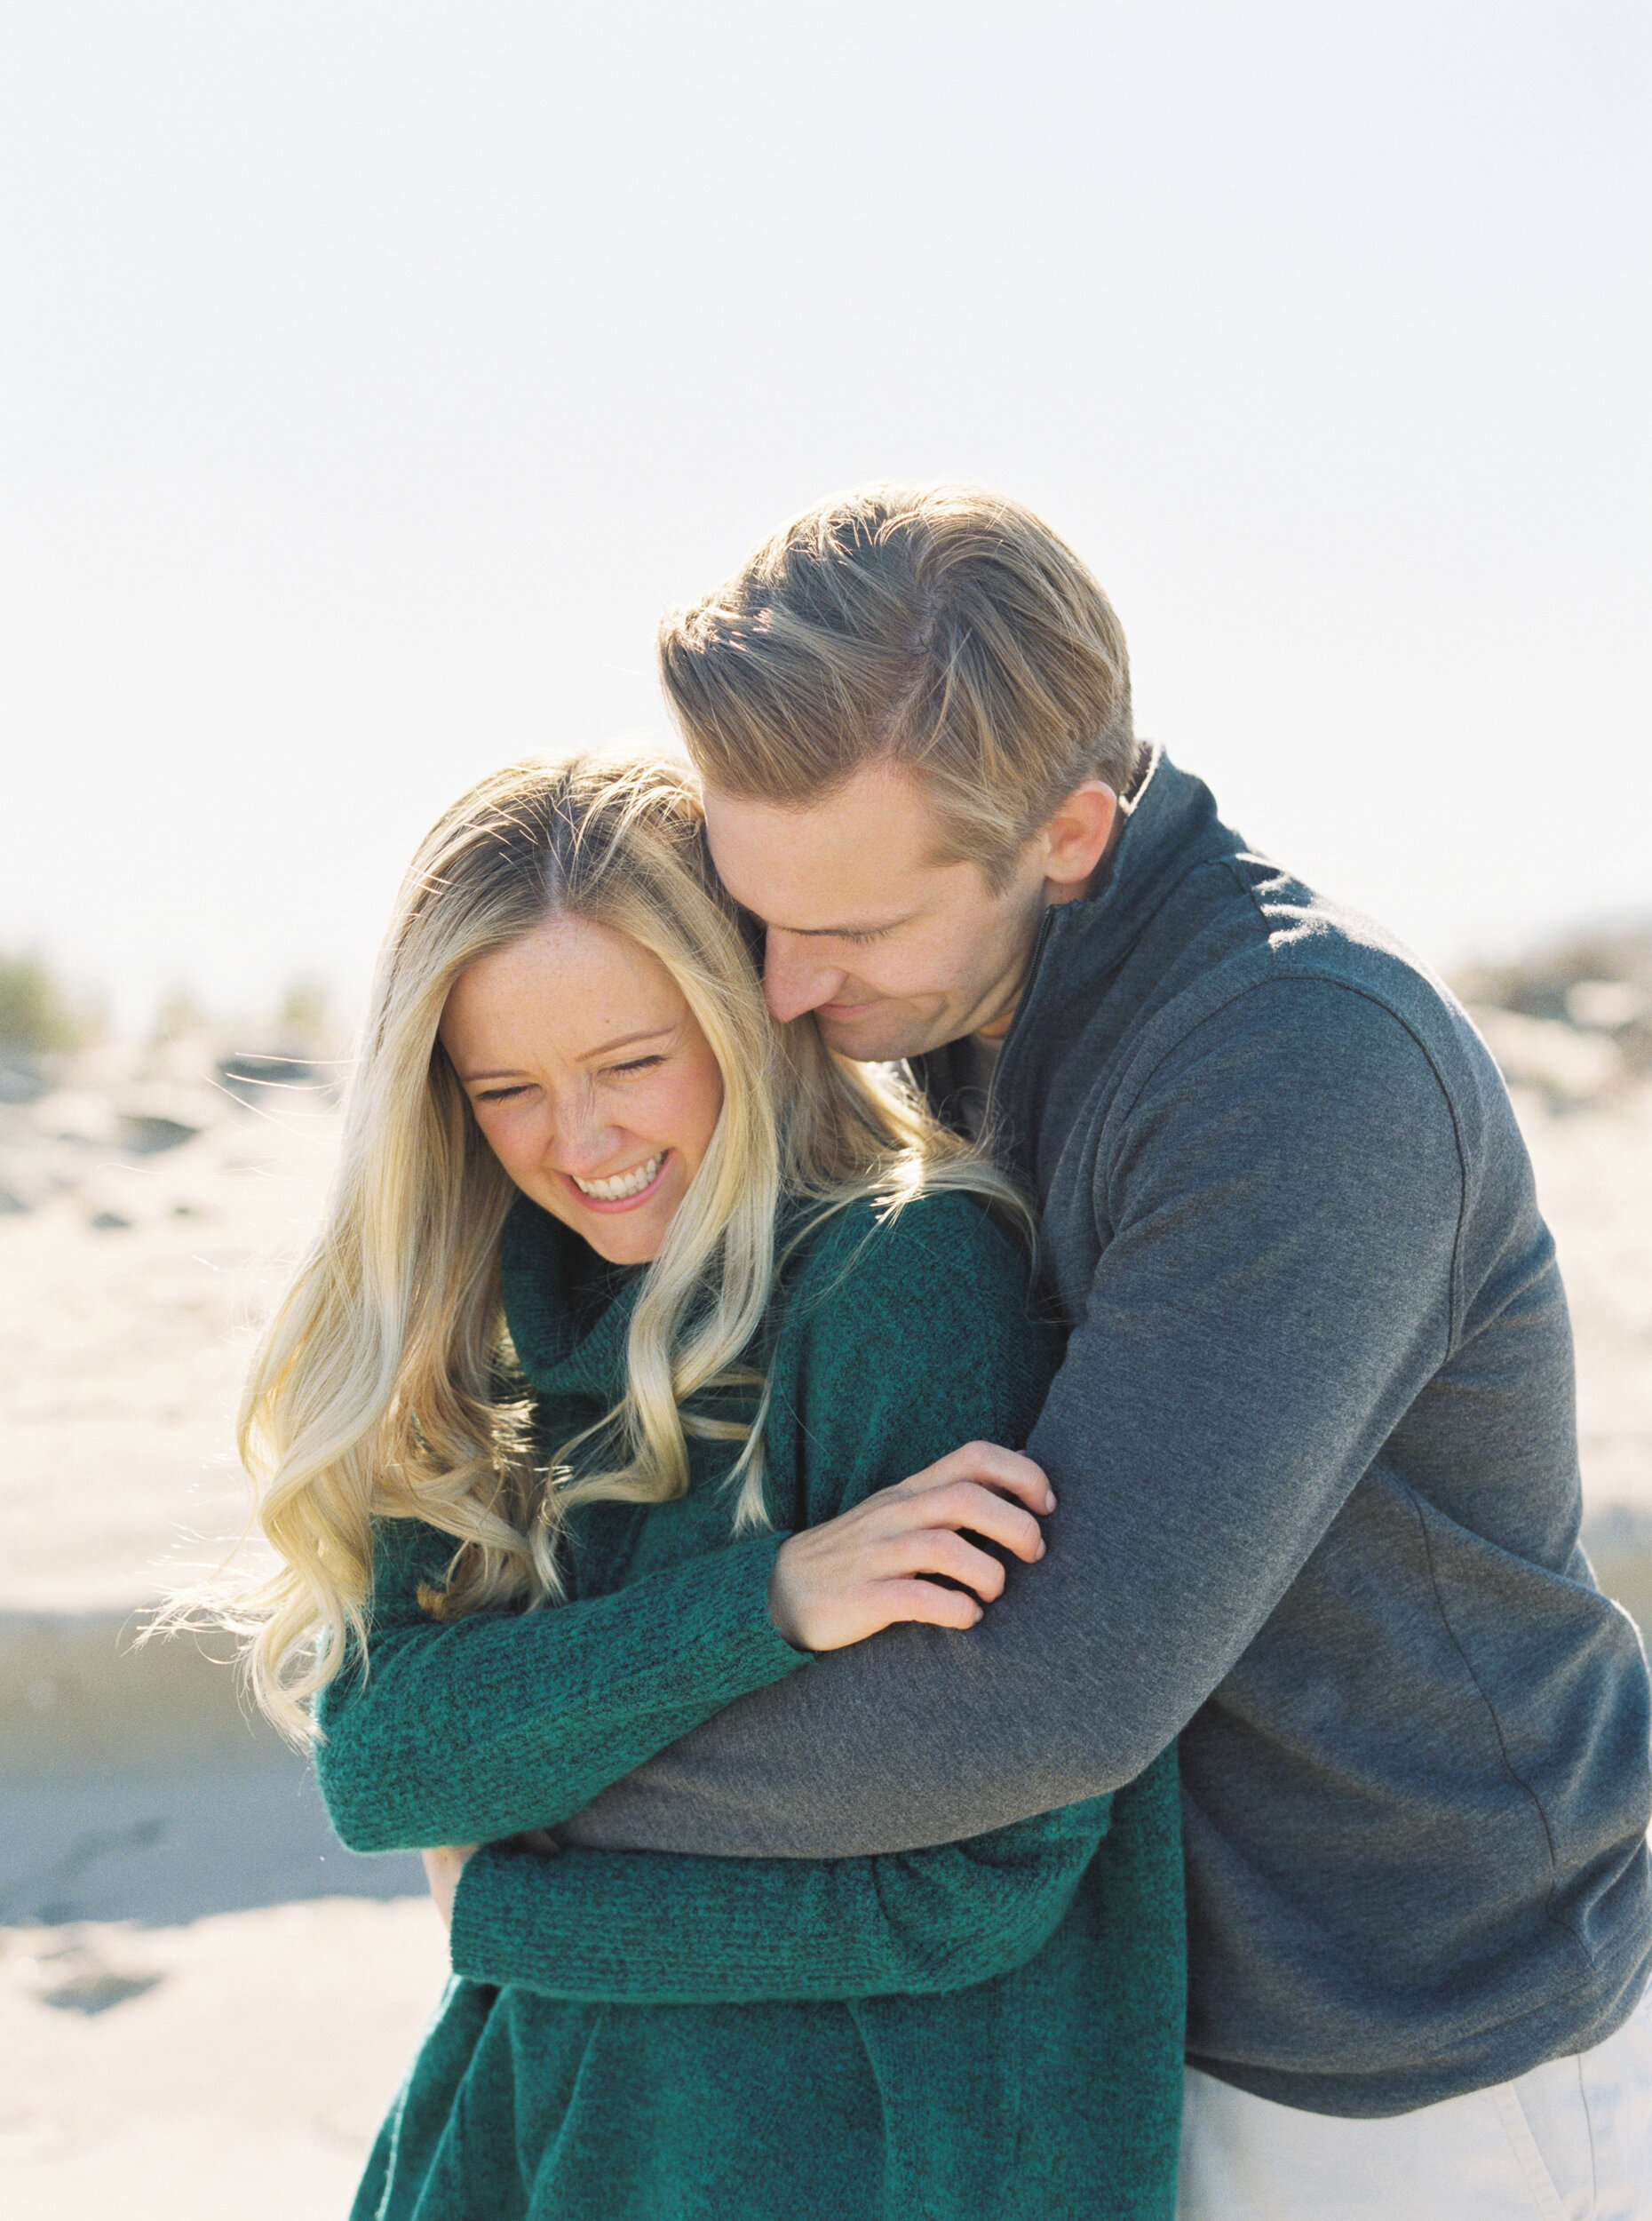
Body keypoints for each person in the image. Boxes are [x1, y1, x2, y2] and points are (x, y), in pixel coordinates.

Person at [545, 484, 1652, 2217]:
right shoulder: (943, 1005)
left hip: (1423, 2057)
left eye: (848, 929)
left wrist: (547, 1788)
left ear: (1066, 834)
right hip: (1123, 2019)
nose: (777, 987)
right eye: (754, 906)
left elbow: (1056, 1690)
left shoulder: (1303, 1069)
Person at [226, 754, 1185, 2220]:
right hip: (523, 2140)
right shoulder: (477, 1319)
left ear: (747, 1013)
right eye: (509, 1090)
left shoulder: (903, 1284)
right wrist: (771, 1601)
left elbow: (984, 1879)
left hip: (866, 2160)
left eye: (631, 1062)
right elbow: (384, 1769)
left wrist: (510, 1901)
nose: (585, 1143)